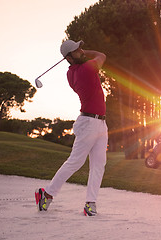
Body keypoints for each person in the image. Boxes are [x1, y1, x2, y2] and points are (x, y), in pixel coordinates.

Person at [35, 39, 108, 216]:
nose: (81, 51)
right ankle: (47, 194)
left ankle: (90, 203)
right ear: (69, 57)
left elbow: (88, 59)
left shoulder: (72, 72)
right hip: (89, 123)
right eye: (77, 50)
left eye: (81, 48)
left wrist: (79, 52)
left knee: (99, 165)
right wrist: (87, 51)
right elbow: (102, 55)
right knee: (76, 161)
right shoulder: (85, 69)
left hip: (99, 123)